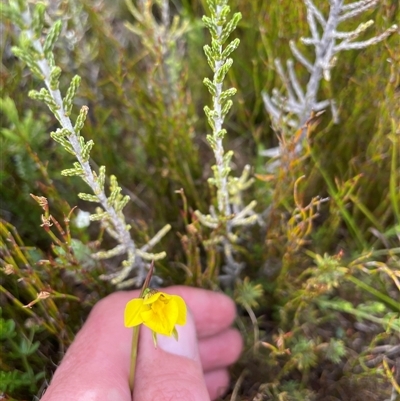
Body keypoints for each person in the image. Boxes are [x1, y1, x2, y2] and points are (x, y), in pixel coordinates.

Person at [40, 286, 243, 401]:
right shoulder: (138, 309)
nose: (157, 302)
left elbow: (175, 317)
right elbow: (131, 321)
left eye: (161, 299)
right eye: (156, 300)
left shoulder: (170, 305)